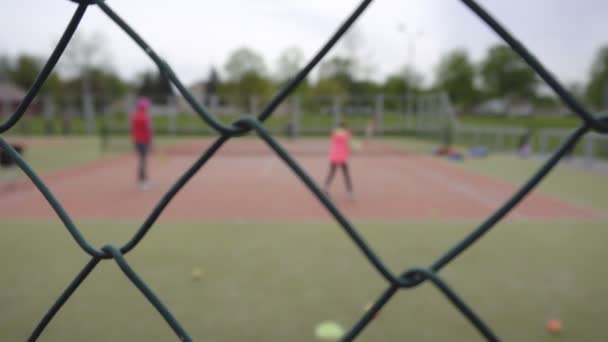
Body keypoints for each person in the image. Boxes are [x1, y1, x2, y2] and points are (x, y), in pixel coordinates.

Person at [323, 121, 354, 200]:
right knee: (346, 174)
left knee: (331, 173)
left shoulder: (334, 133)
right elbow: (349, 141)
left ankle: (325, 188)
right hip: (342, 158)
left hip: (334, 157)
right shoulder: (347, 134)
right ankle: (349, 192)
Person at [130, 97, 153, 191]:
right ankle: (142, 180)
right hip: (143, 141)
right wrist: (151, 142)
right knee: (143, 160)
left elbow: (132, 129)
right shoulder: (145, 116)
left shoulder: (134, 115)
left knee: (142, 159)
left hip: (137, 140)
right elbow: (148, 130)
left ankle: (144, 179)